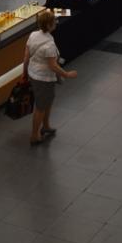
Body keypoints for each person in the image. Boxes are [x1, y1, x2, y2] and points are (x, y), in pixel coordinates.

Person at [22, 10, 77, 146]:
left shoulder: (33, 35)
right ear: (49, 25)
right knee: (40, 107)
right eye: (54, 21)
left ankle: (45, 126)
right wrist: (67, 74)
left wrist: (24, 73)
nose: (56, 23)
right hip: (43, 79)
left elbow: (26, 57)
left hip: (33, 74)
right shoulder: (49, 45)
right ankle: (34, 135)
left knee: (47, 101)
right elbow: (53, 66)